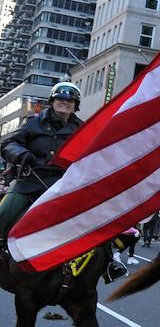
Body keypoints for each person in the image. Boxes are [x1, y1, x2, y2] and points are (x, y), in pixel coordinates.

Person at [0, 82, 126, 282]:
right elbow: (9, 143)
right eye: (60, 99)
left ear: (75, 105)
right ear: (52, 101)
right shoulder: (33, 123)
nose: (64, 103)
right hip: (30, 182)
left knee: (98, 217)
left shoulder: (82, 129)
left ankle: (110, 262)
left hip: (65, 186)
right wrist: (21, 153)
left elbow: (94, 155)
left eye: (70, 100)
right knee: (4, 213)